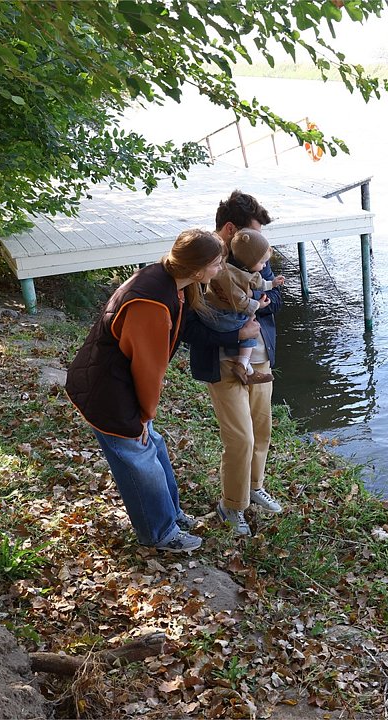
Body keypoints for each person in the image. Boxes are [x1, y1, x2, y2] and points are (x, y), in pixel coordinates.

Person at [66, 228, 232, 553]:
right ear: (198, 269)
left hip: (116, 383)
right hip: (108, 392)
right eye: (217, 264)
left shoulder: (170, 281)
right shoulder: (153, 303)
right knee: (140, 461)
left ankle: (171, 515)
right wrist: (143, 416)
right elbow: (147, 368)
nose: (220, 269)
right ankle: (159, 534)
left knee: (152, 446)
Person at [183, 190, 283, 537]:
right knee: (240, 437)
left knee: (261, 431)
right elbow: (189, 326)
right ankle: (231, 505)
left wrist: (251, 305)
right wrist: (236, 333)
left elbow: (276, 300)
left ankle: (254, 488)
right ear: (230, 230)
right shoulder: (202, 262)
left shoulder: (255, 252)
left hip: (261, 360)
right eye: (251, 232)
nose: (258, 241)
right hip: (223, 364)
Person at [200, 228, 285, 385]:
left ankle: (248, 370)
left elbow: (261, 284)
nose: (265, 265)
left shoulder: (246, 269)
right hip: (223, 317)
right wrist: (257, 304)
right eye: (261, 263)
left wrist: (272, 283)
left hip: (221, 314)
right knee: (250, 326)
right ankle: (242, 364)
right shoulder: (228, 275)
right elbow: (239, 302)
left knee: (249, 322)